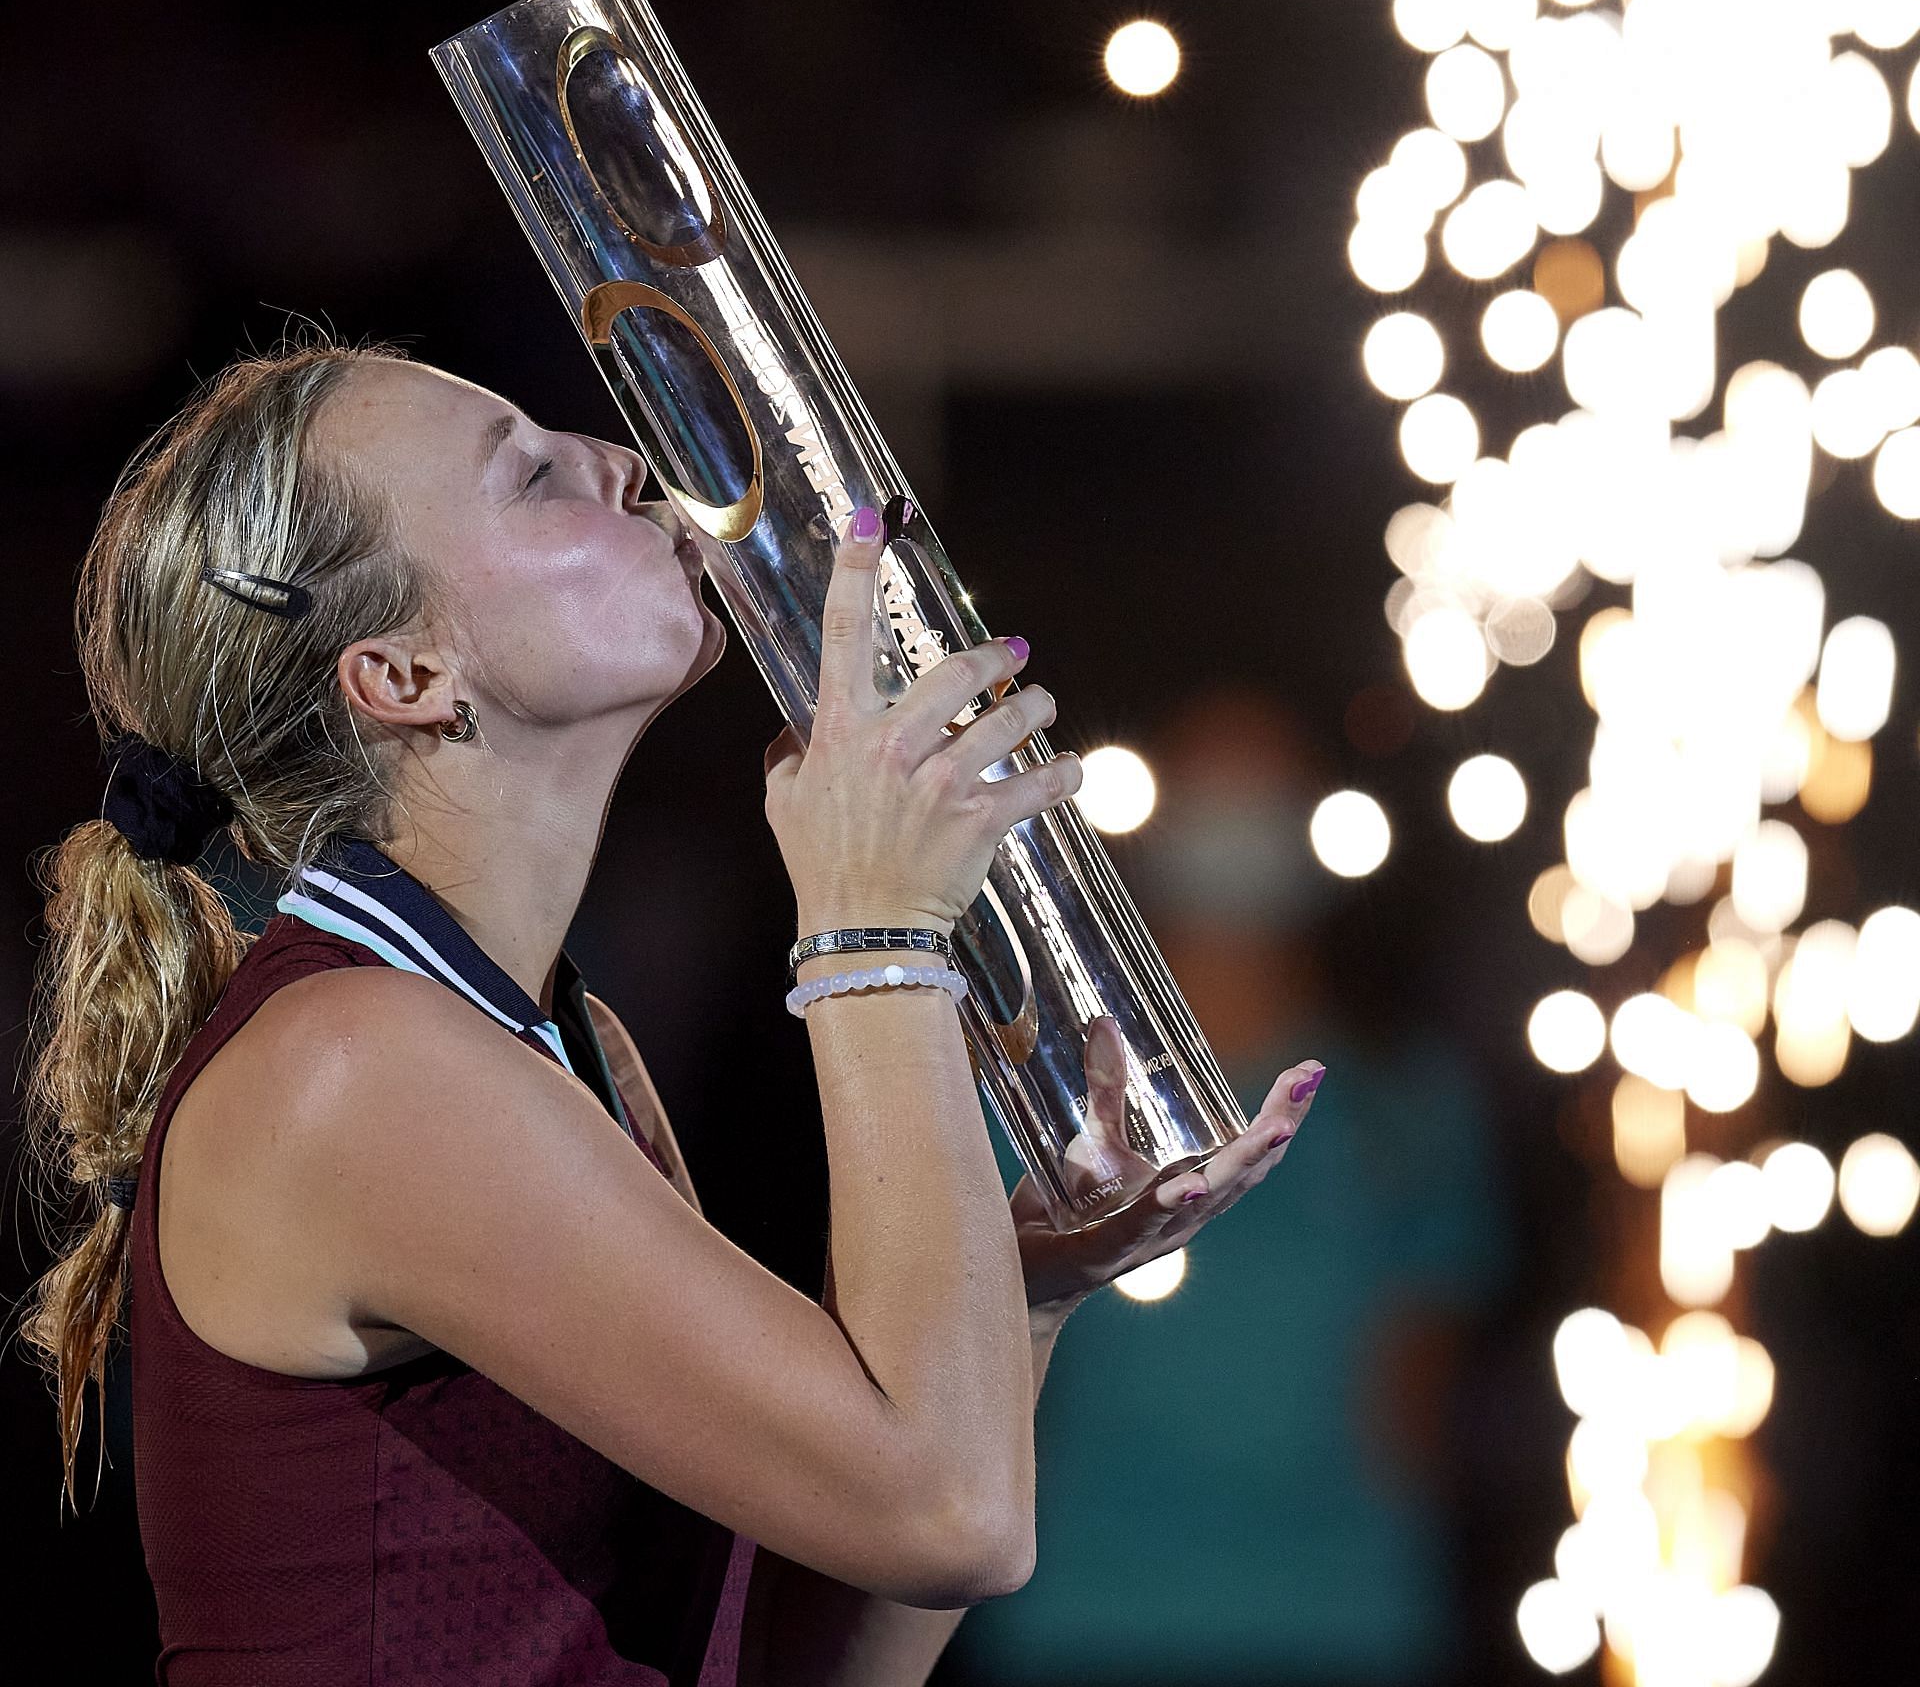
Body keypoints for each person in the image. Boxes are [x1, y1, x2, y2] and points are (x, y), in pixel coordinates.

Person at [13, 338, 1327, 1685]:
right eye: (529, 475)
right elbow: (950, 1516)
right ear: (404, 677)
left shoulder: (557, 1047)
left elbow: (789, 1650)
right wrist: (873, 929)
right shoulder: (354, 1068)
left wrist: (1025, 1296)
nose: (619, 460)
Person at [956, 689, 1509, 1686]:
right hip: (1084, 1612)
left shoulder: (1404, 1106)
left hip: (1334, 1617)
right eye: (1211, 797)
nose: (1235, 829)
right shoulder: (1048, 1106)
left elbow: (1414, 1407)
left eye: (1263, 798)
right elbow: (973, 1362)